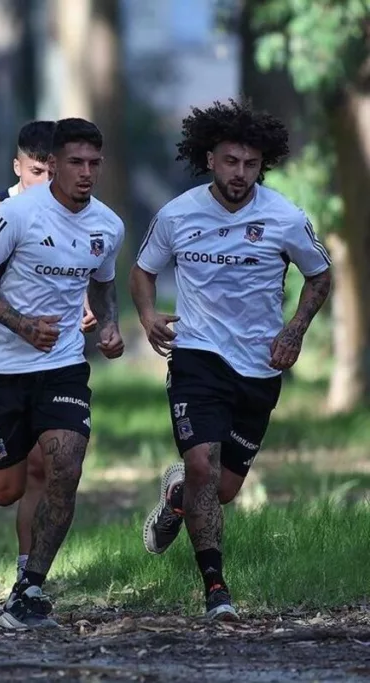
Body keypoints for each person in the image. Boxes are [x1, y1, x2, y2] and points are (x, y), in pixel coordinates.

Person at [131, 99, 332, 620]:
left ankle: (177, 496)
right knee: (203, 461)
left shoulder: (286, 217)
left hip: (262, 363)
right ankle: (216, 589)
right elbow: (143, 270)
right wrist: (149, 315)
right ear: (209, 159)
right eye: (229, 161)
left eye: (249, 164)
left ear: (261, 165)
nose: (240, 173)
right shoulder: (177, 214)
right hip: (198, 354)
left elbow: (320, 275)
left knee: (219, 488)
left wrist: (296, 329)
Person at [0, 118, 126, 630]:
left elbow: (104, 283)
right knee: (4, 489)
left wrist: (109, 325)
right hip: (1, 366)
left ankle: (29, 586)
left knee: (64, 466)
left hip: (63, 363)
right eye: (75, 162)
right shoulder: (16, 215)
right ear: (55, 164)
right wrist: (21, 324)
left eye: (94, 163)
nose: (86, 173)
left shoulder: (107, 225)